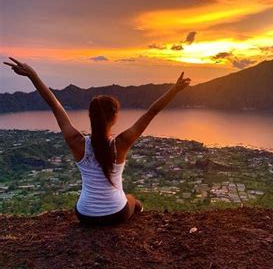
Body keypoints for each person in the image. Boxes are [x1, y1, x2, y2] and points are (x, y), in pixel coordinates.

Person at [3, 57, 191, 226]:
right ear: (115, 117)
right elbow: (152, 112)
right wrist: (174, 90)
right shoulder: (121, 144)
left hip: (84, 214)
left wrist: (33, 76)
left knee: (122, 199)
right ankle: (138, 210)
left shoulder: (76, 142)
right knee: (132, 200)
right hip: (116, 214)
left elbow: (54, 105)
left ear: (90, 116)